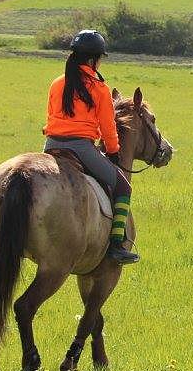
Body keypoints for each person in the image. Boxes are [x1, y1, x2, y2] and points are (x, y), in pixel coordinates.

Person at [42, 30, 139, 265]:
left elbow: (51, 114)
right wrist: (114, 153)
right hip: (81, 148)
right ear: (94, 59)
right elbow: (108, 127)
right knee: (123, 186)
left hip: (51, 144)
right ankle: (117, 244)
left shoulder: (57, 83)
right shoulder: (98, 88)